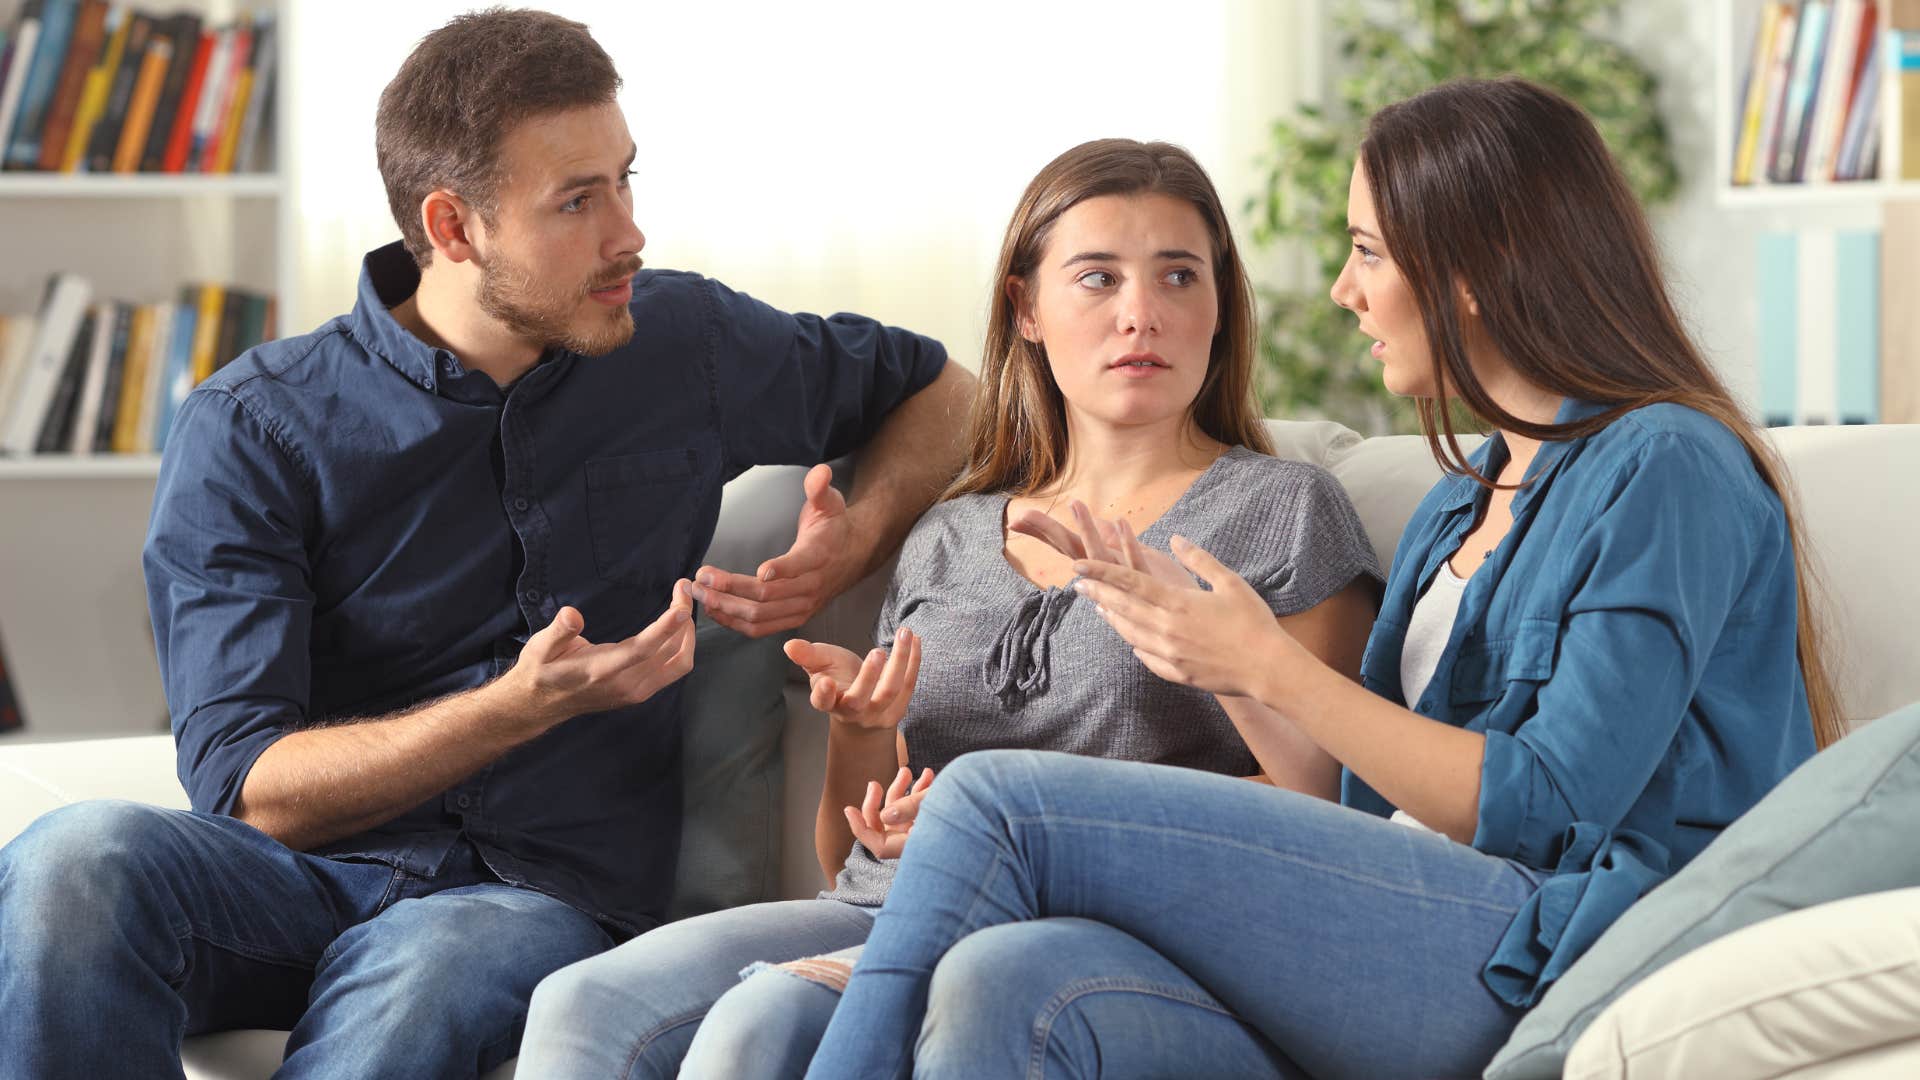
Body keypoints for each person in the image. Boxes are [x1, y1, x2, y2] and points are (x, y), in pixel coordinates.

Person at [803, 77, 1845, 1080]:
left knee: (993, 802)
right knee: (1003, 978)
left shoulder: (1665, 464)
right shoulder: (1458, 502)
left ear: (1473, 269)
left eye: (1367, 253)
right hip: (1407, 925)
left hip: (1556, 940)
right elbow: (1353, 802)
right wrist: (1213, 656)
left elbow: (1551, 805)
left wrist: (1277, 668)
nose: (1345, 291)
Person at [0, 10, 975, 1079]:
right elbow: (247, 787)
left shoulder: (684, 345)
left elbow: (945, 392)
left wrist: (855, 541)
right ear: (454, 227)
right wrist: (517, 709)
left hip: (535, 900)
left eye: (626, 180)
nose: (629, 234)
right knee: (70, 862)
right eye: (577, 201)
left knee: (431, 959)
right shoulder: (256, 427)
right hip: (303, 882)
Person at [514, 137, 1383, 1079]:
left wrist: (1019, 833)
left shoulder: (1282, 511)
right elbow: (849, 846)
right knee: (581, 1002)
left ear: (1220, 305)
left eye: (1180, 276)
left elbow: (1332, 811)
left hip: (1088, 933)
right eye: (1097, 279)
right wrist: (862, 735)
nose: (1143, 314)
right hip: (884, 901)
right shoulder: (950, 532)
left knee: (765, 1018)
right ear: (1027, 309)